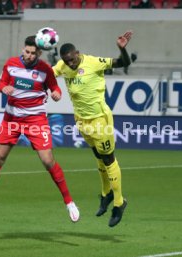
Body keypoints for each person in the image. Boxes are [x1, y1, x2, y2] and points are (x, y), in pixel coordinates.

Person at [0, 35, 80, 223]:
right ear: (23, 49)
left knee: (48, 160)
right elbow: (1, 83)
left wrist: (56, 94)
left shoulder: (44, 69)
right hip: (11, 119)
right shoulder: (11, 64)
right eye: (26, 51)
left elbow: (54, 87)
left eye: (32, 53)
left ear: (39, 53)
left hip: (35, 120)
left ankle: (69, 202)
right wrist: (4, 89)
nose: (28, 55)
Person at [52, 31, 133, 227]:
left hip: (100, 120)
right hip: (81, 120)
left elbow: (124, 64)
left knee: (108, 158)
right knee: (98, 156)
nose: (70, 64)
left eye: (72, 60)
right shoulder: (63, 65)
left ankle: (119, 202)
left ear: (77, 53)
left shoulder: (94, 62)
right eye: (66, 61)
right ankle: (105, 194)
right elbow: (48, 73)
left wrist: (122, 50)